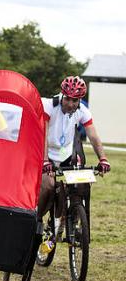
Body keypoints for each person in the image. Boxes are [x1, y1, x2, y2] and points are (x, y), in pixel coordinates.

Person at [37, 76, 110, 234]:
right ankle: (36, 219)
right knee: (48, 186)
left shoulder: (82, 111)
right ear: (63, 94)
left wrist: (103, 159)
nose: (70, 104)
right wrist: (44, 161)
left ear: (80, 100)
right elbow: (44, 133)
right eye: (68, 99)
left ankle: (72, 218)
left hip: (65, 155)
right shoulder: (49, 106)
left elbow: (93, 136)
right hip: (45, 154)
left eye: (75, 101)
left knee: (82, 184)